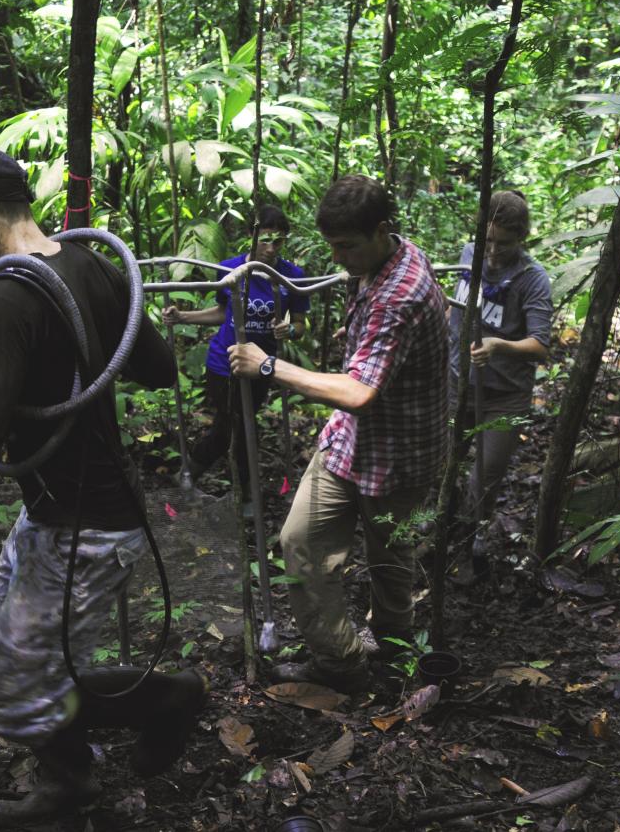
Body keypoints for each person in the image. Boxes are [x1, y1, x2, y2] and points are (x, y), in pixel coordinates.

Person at [0, 146, 207, 827]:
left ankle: (150, 715)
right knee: (15, 674)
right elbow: (153, 366)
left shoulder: (6, 295)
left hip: (81, 527)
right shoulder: (85, 264)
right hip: (73, 509)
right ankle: (70, 774)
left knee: (6, 696)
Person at [227, 175, 448, 691]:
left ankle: (393, 657)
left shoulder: (402, 293)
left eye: (347, 246)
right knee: (300, 541)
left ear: (382, 231)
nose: (340, 257)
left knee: (390, 560)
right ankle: (341, 664)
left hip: (401, 453)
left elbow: (358, 393)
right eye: (333, 247)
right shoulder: (386, 258)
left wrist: (266, 366)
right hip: (350, 443)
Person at [161, 205, 309, 492]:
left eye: (277, 241)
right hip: (224, 362)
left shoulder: (292, 275)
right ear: (251, 236)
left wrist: (289, 329)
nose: (270, 247)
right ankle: (230, 490)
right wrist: (183, 317)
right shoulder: (230, 269)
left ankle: (199, 479)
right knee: (235, 427)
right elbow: (222, 311)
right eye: (264, 239)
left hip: (261, 366)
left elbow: (300, 324)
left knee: (241, 426)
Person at [449, 190, 551, 548]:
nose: (492, 252)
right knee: (446, 462)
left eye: (503, 244)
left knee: (484, 476)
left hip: (504, 395)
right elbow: (455, 310)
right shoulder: (468, 254)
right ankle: (445, 525)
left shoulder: (532, 278)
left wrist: (498, 345)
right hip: (457, 381)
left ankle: (473, 539)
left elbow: (540, 345)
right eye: (487, 240)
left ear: (521, 238)